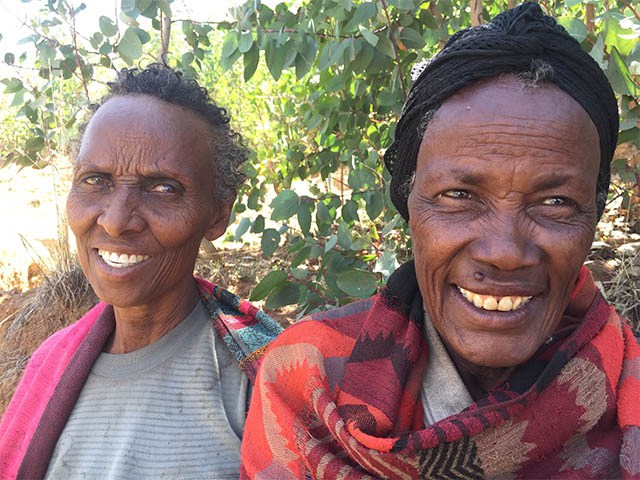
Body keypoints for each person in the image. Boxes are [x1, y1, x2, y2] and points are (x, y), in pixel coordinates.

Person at [240, 3, 640, 479]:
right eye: (459, 195)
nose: (505, 252)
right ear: (408, 202)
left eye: (555, 203)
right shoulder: (306, 379)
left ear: (593, 214)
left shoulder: (626, 391)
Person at [0, 64, 282, 479]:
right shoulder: (51, 366)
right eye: (96, 180)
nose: (115, 222)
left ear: (218, 213)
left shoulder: (265, 384)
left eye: (163, 188)